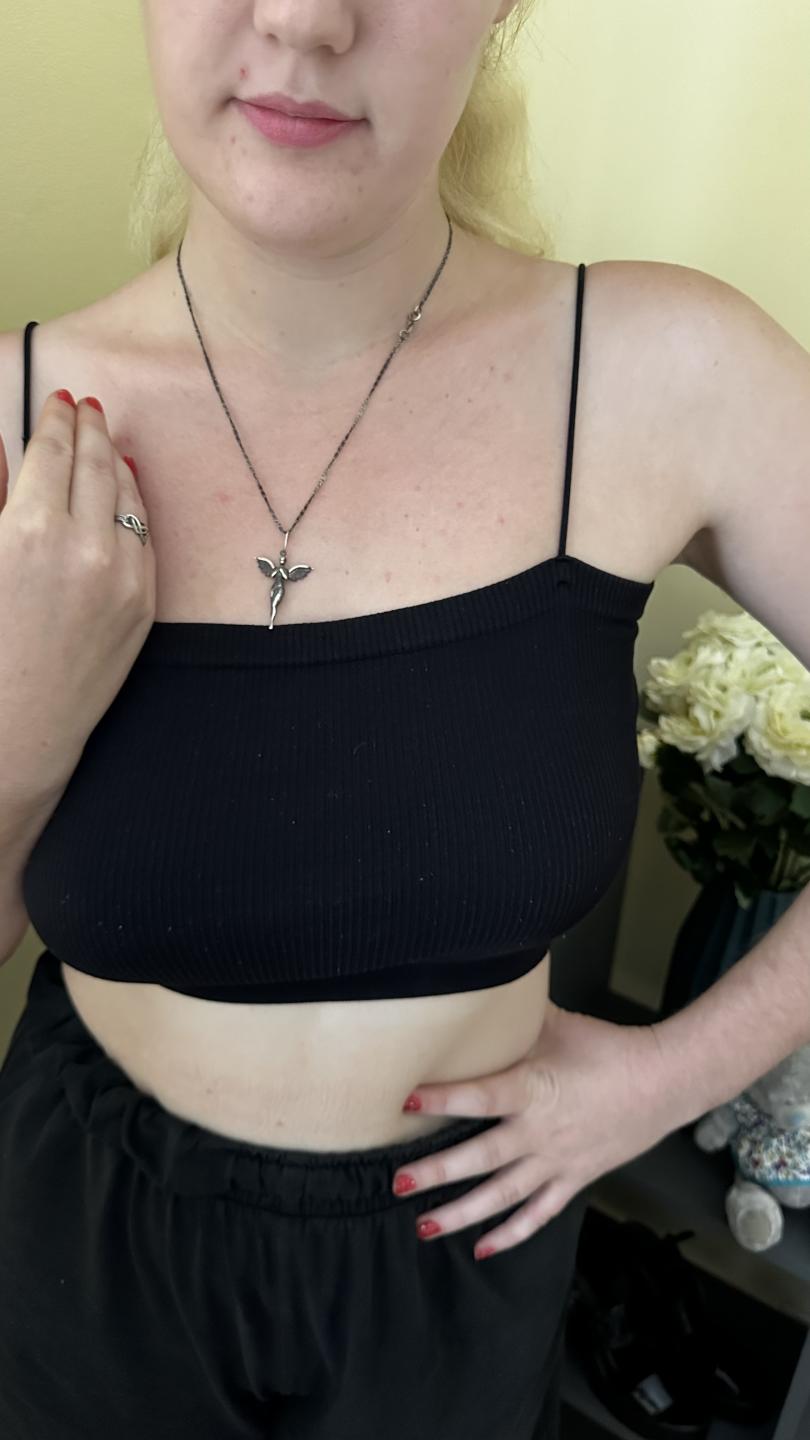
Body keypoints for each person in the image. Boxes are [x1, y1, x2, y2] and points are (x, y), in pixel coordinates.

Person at [2, 2, 784, 1437]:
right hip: (84, 1251)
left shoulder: (666, 373)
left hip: (458, 1253)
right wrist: (24, 728)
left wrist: (677, 1074)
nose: (305, 18)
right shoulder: (12, 429)